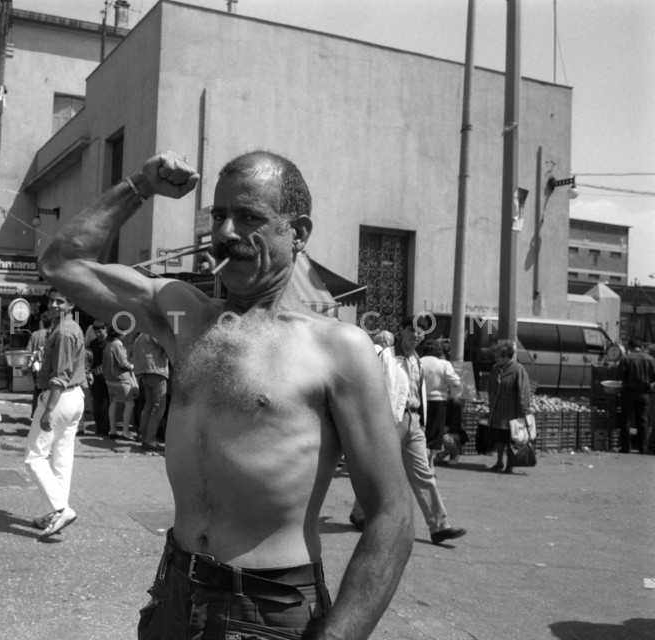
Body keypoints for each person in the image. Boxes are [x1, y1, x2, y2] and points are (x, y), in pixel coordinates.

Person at [38, 150, 413, 638]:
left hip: (268, 610)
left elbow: (391, 516)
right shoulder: (183, 318)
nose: (226, 232)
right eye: (219, 215)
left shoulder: (338, 350)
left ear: (298, 232)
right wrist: (141, 185)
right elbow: (63, 262)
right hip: (175, 593)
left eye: (249, 217)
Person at [349, 317, 468, 546]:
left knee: (425, 475)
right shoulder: (386, 356)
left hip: (414, 423)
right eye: (411, 330)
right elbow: (370, 385)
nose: (416, 335)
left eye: (420, 332)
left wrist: (420, 422)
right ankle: (359, 513)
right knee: (379, 472)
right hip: (390, 421)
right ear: (401, 331)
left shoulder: (417, 360)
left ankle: (439, 527)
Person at [25, 289, 86, 538]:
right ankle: (57, 514)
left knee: (34, 457)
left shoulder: (64, 331)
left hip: (60, 397)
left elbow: (61, 375)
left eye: (60, 301)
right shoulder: (64, 328)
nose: (53, 304)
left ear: (71, 304)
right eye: (51, 300)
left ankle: (61, 509)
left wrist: (48, 409)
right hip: (73, 397)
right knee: (61, 459)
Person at [486, 341, 532, 473]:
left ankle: (510, 465)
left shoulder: (518, 369)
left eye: (499, 356)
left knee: (511, 440)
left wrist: (524, 410)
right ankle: (499, 462)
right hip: (498, 411)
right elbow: (490, 387)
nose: (497, 359)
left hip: (512, 412)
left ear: (508, 357)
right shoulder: (495, 369)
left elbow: (524, 391)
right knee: (499, 439)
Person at [420, 338, 462, 466]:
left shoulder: (418, 361)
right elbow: (456, 382)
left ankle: (422, 463)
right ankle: (429, 464)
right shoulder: (443, 364)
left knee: (421, 434)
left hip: (420, 401)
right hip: (438, 402)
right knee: (433, 437)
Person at [615, 339, 655, 454]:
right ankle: (643, 448)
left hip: (628, 393)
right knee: (643, 420)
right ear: (641, 347)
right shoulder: (650, 359)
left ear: (629, 347)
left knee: (626, 419)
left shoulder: (626, 359)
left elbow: (619, 375)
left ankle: (625, 447)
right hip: (644, 394)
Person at [133, 331, 169, 452]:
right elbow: (168, 346)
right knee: (158, 407)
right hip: (156, 371)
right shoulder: (153, 334)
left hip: (144, 372)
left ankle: (143, 436)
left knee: (148, 405)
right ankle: (150, 440)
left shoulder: (140, 336)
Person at [102, 327, 138, 440]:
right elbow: (123, 363)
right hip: (121, 379)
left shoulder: (108, 344)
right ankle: (125, 431)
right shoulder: (117, 344)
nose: (125, 333)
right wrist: (132, 366)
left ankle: (112, 430)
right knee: (130, 404)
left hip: (110, 379)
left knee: (113, 403)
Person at [85, 320, 111, 436]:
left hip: (107, 377)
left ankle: (106, 427)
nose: (98, 334)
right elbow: (90, 360)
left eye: (100, 332)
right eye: (96, 332)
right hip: (95, 377)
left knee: (106, 402)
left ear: (105, 329)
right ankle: (99, 427)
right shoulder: (93, 343)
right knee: (97, 402)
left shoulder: (110, 343)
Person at [26, 312, 52, 416]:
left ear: (42, 322)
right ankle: (43, 414)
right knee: (47, 391)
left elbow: (28, 351)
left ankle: (35, 414)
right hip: (47, 367)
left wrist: (27, 366)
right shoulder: (52, 334)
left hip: (35, 367)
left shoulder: (35, 334)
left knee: (37, 390)